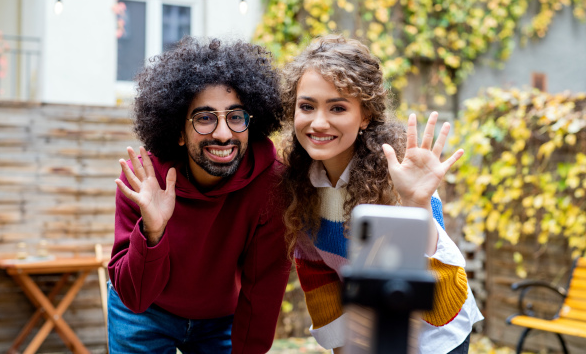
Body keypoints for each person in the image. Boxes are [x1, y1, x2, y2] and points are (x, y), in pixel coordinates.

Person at [280, 35, 483, 354]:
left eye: (337, 107)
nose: (319, 122)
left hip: (435, 339)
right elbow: (319, 278)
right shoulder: (297, 186)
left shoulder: (399, 177)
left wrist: (417, 204)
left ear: (365, 115)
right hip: (368, 339)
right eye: (307, 106)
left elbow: (443, 307)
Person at [108, 37, 291, 354]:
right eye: (205, 118)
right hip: (144, 313)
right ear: (179, 131)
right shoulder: (144, 182)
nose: (223, 134)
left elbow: (264, 288)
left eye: (235, 116)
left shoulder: (271, 185)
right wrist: (152, 231)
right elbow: (134, 297)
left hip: (219, 319)